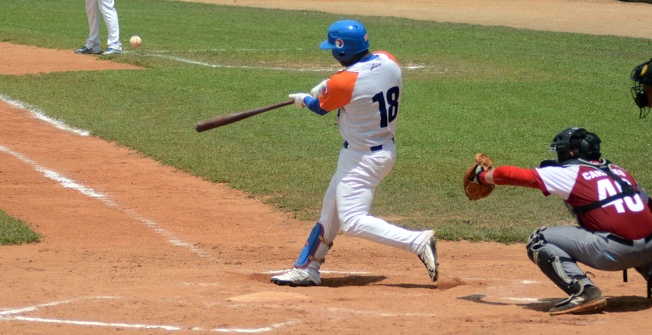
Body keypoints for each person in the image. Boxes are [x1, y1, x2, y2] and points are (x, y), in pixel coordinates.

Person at [271, 19, 438, 286]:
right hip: (374, 151)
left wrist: (305, 99)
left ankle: (416, 241)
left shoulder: (342, 83)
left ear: (340, 50)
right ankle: (307, 268)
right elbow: (354, 79)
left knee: (352, 220)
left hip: (364, 158)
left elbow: (320, 107)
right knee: (331, 212)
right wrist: (326, 86)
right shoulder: (388, 60)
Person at [472, 127, 652, 315]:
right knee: (637, 225)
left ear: (572, 152)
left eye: (562, 150)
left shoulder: (570, 173)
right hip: (649, 250)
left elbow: (509, 174)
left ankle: (584, 292)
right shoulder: (620, 171)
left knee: (539, 239)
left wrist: (482, 176)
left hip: (613, 254)